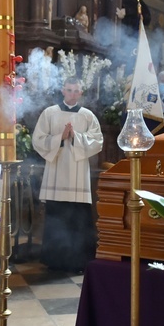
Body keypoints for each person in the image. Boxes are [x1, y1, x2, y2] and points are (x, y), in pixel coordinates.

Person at [32, 77, 103, 273]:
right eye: (69, 90)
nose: (72, 94)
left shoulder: (88, 116)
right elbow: (38, 140)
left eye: (76, 91)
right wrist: (60, 139)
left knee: (78, 218)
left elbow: (98, 141)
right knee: (57, 217)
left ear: (81, 93)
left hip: (78, 176)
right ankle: (55, 260)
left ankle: (80, 261)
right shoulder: (50, 113)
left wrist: (76, 137)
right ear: (63, 90)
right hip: (56, 173)